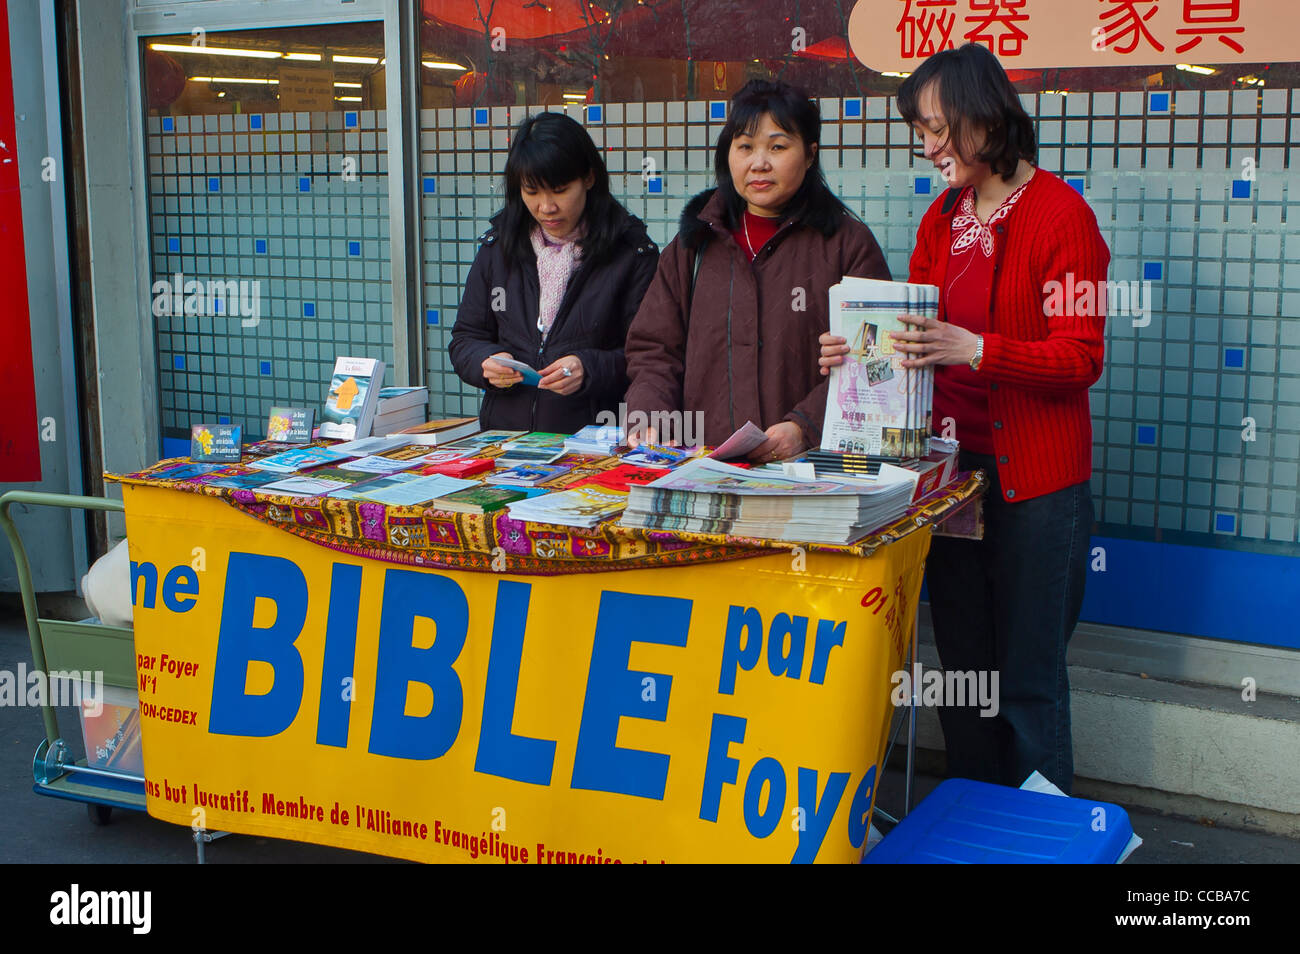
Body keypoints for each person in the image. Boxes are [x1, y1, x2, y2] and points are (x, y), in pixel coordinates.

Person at [819, 43, 1109, 793]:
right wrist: (856, 352)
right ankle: (976, 821)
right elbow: (913, 333)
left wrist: (978, 349)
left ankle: (1042, 832)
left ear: (986, 117)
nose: (928, 146)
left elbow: (1080, 359)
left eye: (938, 129)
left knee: (1029, 681)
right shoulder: (941, 219)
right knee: (967, 672)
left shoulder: (1063, 218)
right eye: (920, 130)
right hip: (953, 482)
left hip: (1039, 488)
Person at [623, 79, 889, 460]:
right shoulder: (694, 245)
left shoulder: (847, 245)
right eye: (745, 146)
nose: (758, 163)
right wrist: (651, 412)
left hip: (809, 469)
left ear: (810, 154)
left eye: (778, 147)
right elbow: (654, 349)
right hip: (706, 466)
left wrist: (806, 426)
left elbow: (875, 361)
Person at [449, 112, 658, 433]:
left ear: (588, 178)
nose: (546, 206)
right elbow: (466, 338)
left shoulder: (630, 252)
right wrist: (485, 362)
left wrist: (588, 368)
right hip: (506, 438)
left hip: (594, 440)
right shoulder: (497, 247)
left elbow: (650, 356)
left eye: (559, 190)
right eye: (531, 191)